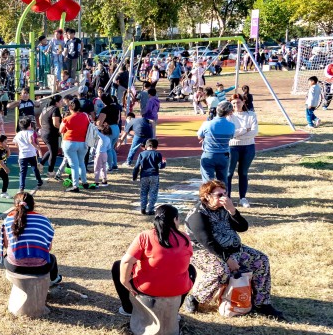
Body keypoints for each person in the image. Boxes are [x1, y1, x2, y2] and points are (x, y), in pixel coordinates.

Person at [184, 180, 283, 319]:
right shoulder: (198, 215)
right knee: (220, 270)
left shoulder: (225, 208)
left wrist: (232, 210)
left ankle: (262, 302)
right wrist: (228, 259)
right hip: (204, 251)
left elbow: (243, 227)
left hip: (232, 248)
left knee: (261, 259)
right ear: (207, 196)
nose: (224, 197)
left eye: (225, 193)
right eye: (219, 195)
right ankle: (196, 298)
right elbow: (208, 242)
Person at [112, 205, 195, 317]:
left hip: (146, 288)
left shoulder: (145, 236)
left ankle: (128, 308)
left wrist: (125, 282)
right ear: (175, 219)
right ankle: (174, 311)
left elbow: (126, 262)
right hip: (178, 288)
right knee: (191, 270)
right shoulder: (185, 238)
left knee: (118, 266)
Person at [0, 191, 61, 285]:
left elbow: (7, 245)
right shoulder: (43, 220)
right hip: (40, 267)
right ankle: (54, 279)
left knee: (7, 256)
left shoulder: (8, 220)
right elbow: (48, 248)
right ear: (33, 205)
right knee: (52, 258)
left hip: (15, 265)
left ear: (15, 206)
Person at [225, 95, 258, 208]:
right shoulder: (229, 116)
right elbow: (230, 133)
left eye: (238, 102)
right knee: (229, 173)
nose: (236, 105)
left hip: (248, 147)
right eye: (233, 103)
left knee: (243, 173)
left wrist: (238, 134)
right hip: (232, 147)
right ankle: (227, 197)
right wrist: (244, 130)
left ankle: (242, 198)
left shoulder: (251, 115)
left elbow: (254, 132)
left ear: (243, 102)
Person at [196, 101, 236, 183]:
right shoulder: (231, 125)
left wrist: (206, 138)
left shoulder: (207, 124)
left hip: (209, 154)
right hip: (224, 155)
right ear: (229, 112)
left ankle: (209, 195)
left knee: (208, 182)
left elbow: (199, 136)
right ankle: (223, 195)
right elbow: (231, 137)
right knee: (223, 181)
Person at [59, 99, 90, 192]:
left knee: (74, 165)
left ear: (70, 107)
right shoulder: (85, 116)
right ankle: (84, 182)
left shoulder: (67, 119)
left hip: (69, 142)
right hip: (83, 142)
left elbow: (61, 130)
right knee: (81, 163)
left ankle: (75, 185)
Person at [132, 138, 167, 214]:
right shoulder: (158, 154)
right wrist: (164, 162)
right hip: (154, 175)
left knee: (143, 192)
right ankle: (150, 209)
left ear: (146, 146)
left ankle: (143, 208)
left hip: (144, 176)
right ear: (156, 146)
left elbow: (137, 166)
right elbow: (160, 166)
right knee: (153, 192)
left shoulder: (141, 154)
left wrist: (134, 176)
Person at [13, 118, 44, 193]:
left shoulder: (18, 134)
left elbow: (16, 143)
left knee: (23, 172)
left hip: (22, 155)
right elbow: (31, 141)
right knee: (34, 168)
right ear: (30, 125)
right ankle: (39, 181)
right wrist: (38, 148)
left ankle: (21, 187)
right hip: (31, 154)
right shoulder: (31, 132)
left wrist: (21, 148)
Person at [38, 95, 63, 179]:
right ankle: (50, 171)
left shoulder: (46, 108)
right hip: (51, 133)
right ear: (57, 102)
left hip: (44, 132)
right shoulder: (55, 109)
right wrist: (63, 128)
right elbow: (55, 123)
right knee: (53, 152)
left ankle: (41, 164)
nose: (62, 103)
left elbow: (40, 118)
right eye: (61, 101)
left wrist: (43, 126)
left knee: (51, 150)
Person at [92, 121, 113, 187]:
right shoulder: (108, 139)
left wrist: (94, 125)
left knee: (97, 168)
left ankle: (96, 182)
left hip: (99, 154)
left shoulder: (102, 137)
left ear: (102, 131)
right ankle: (104, 180)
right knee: (103, 168)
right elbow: (109, 147)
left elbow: (96, 132)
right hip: (105, 154)